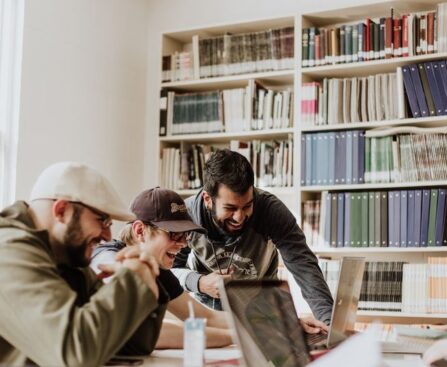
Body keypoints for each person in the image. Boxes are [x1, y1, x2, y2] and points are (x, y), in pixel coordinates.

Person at [0, 162, 166, 367]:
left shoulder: (65, 256)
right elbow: (75, 354)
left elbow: (131, 347)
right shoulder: (9, 250)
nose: (107, 236)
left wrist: (145, 276)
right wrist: (133, 279)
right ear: (61, 211)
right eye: (102, 221)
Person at [172, 149, 334, 328]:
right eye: (230, 208)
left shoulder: (271, 211)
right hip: (209, 312)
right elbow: (170, 271)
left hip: (262, 308)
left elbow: (304, 267)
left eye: (247, 206)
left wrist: (329, 326)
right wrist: (200, 282)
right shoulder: (186, 216)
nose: (239, 217)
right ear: (208, 199)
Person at [91, 187, 232, 349]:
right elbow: (146, 331)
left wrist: (256, 325)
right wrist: (235, 337)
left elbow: (205, 317)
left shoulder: (157, 269)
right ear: (140, 231)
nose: (183, 244)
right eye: (174, 234)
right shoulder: (107, 257)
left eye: (186, 235)